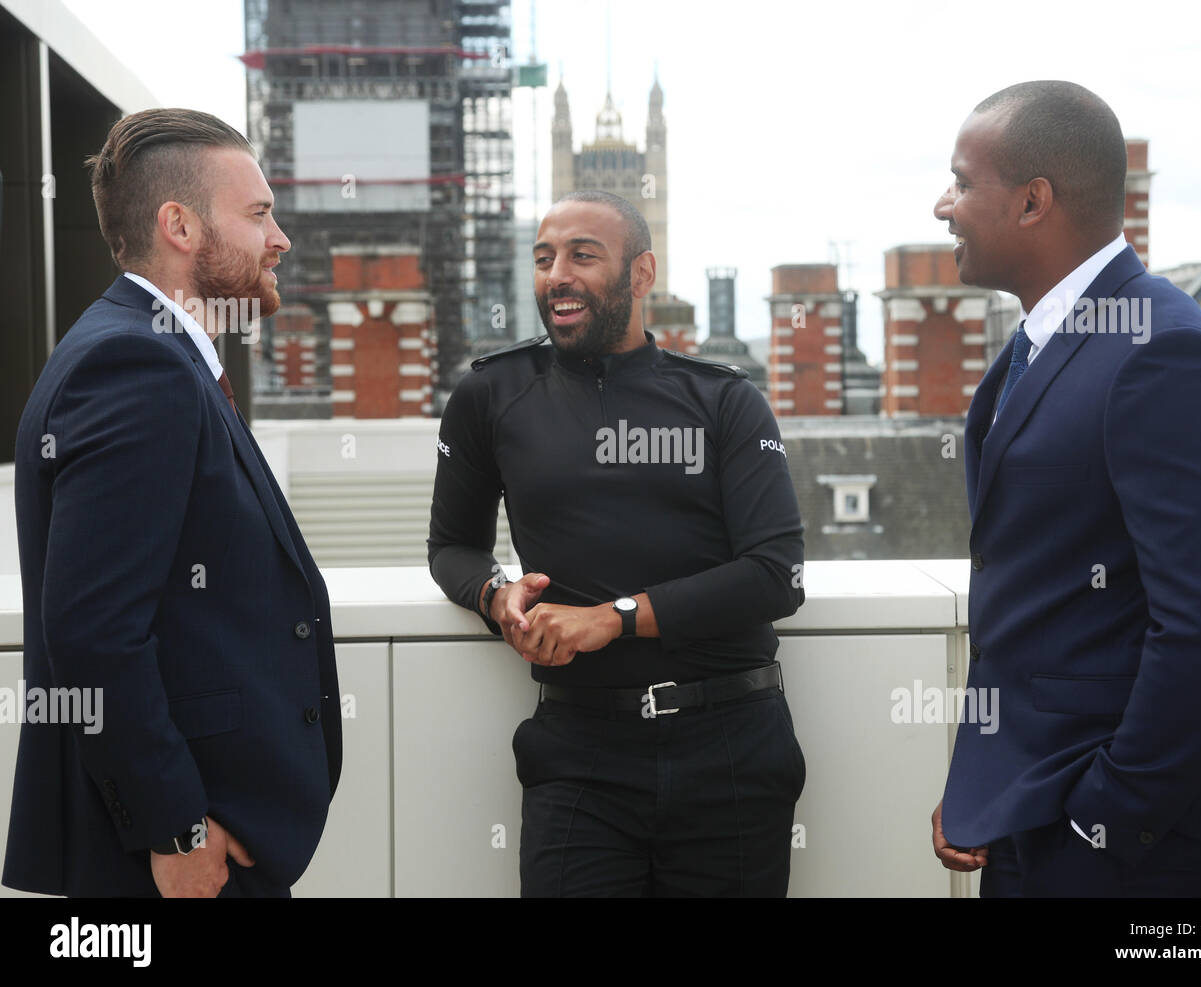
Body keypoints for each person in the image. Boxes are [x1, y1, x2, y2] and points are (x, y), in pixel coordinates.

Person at [928, 81, 1201, 896]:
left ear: (1033, 202)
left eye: (960, 181)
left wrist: (1105, 823)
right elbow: (1034, 607)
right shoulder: (1041, 344)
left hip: (1123, 843)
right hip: (1029, 807)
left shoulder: (1163, 350)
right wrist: (984, 786)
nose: (941, 205)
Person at [2, 109, 342, 898]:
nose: (279, 238)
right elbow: (93, 630)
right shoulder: (136, 364)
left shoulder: (148, 352)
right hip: (174, 858)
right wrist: (176, 827)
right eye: (258, 214)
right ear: (180, 225)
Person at [428, 189, 806, 897]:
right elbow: (452, 545)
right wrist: (496, 595)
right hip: (578, 754)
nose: (556, 275)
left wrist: (613, 617)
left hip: (729, 745)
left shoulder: (724, 400)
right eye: (543, 258)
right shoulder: (490, 394)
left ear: (641, 273)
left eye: (582, 255)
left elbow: (776, 574)